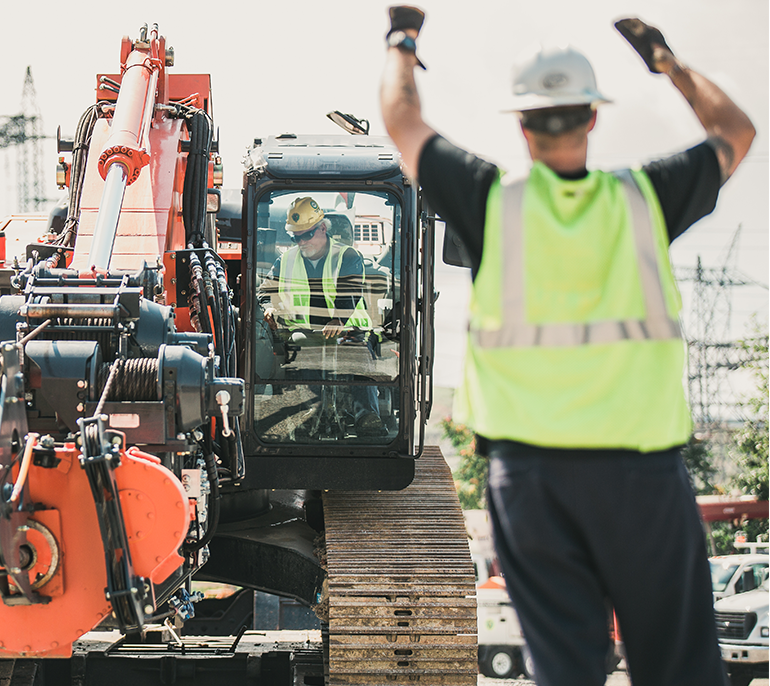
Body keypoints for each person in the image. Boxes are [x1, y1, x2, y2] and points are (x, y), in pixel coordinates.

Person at [379, 7, 754, 686]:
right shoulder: (646, 199)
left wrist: (403, 40)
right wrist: (667, 64)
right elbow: (736, 131)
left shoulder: (489, 200)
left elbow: (402, 118)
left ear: (522, 125)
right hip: (643, 476)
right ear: (592, 117)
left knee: (567, 672)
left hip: (533, 485)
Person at [257, 196, 383, 438]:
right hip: (305, 332)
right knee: (302, 352)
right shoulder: (285, 260)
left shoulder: (347, 256)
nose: (302, 242)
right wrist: (268, 307)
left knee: (355, 350)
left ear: (323, 228)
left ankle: (366, 415)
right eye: (296, 237)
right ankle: (306, 416)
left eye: (307, 234)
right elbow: (266, 289)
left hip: (347, 329)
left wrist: (338, 319)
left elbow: (351, 289)